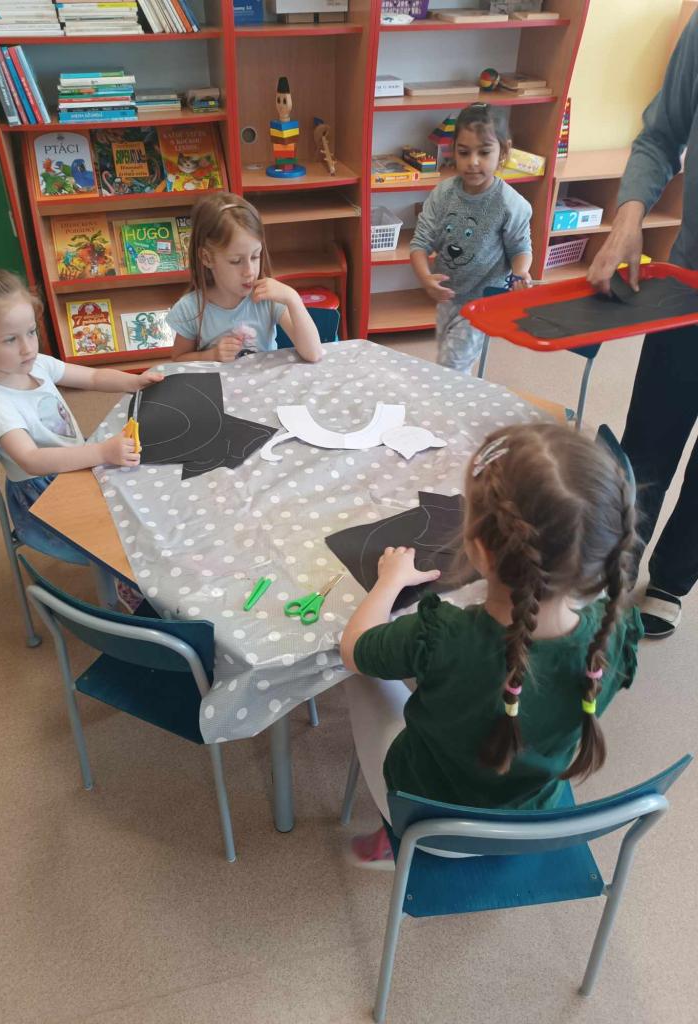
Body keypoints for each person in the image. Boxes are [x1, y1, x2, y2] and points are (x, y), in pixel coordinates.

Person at [339, 423, 642, 868]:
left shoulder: (441, 635)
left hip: (429, 822)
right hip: (532, 821)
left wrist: (390, 581)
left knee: (356, 673)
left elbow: (354, 647)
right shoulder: (615, 635)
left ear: (479, 551)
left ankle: (390, 836)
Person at [586, 11, 698, 640]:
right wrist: (628, 219)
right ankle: (614, 563)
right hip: (689, 285)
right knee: (648, 438)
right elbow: (661, 136)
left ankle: (674, 578)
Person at [0, 266, 162, 562]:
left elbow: (92, 378)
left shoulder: (33, 363)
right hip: (43, 492)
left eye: (31, 332)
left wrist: (134, 382)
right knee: (122, 531)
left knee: (147, 484)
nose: (27, 348)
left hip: (76, 460)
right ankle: (121, 577)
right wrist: (101, 453)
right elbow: (32, 460)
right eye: (10, 339)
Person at [409, 103, 533, 372]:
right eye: (464, 152)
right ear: (453, 150)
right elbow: (420, 243)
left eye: (484, 152)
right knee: (448, 360)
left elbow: (520, 247)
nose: (473, 161)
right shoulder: (443, 194)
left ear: (504, 152)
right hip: (448, 297)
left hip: (483, 301)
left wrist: (520, 272)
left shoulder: (509, 203)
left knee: (451, 365)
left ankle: (453, 396)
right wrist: (425, 278)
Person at [167, 192, 323, 363]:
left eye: (255, 257)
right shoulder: (191, 308)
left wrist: (293, 299)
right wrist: (211, 355)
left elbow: (313, 353)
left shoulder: (268, 298)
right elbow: (178, 361)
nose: (249, 271)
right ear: (207, 258)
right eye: (236, 261)